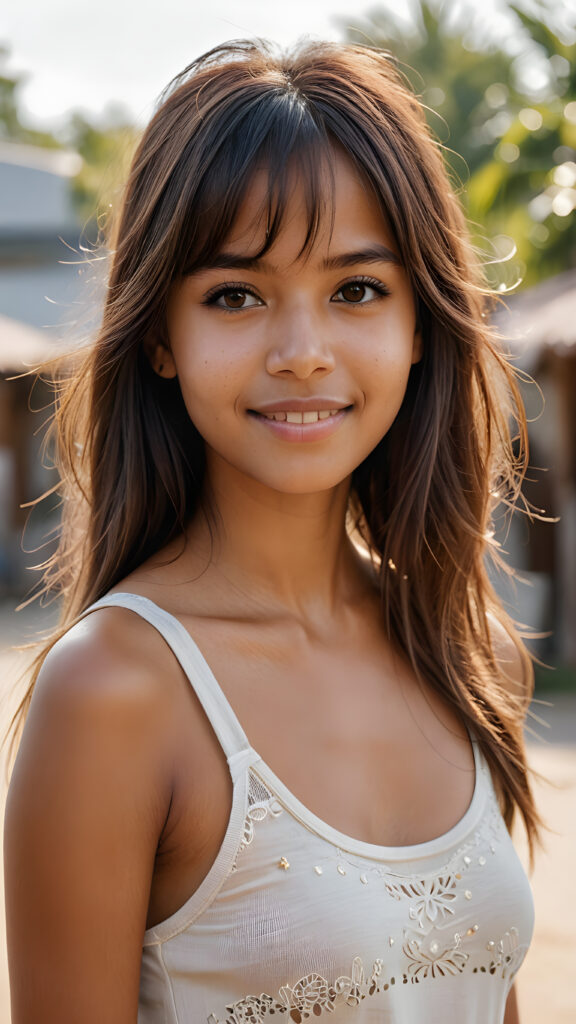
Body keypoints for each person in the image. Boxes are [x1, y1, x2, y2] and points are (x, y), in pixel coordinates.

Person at [4, 38, 540, 1024]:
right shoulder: (114, 694)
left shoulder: (458, 648)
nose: (302, 353)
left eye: (356, 290)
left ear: (420, 323)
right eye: (237, 295)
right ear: (162, 334)